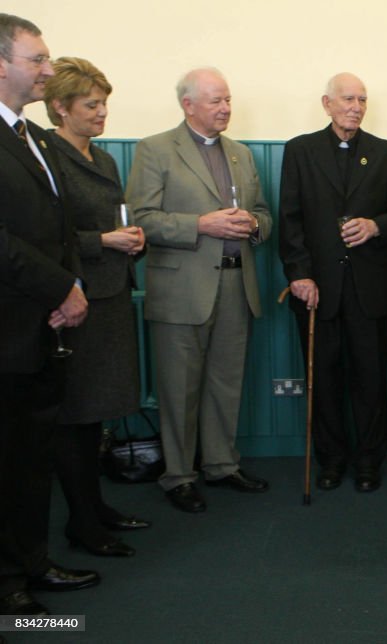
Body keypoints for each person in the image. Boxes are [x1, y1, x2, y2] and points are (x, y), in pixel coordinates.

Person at [126, 67, 272, 513]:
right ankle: (178, 476)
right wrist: (201, 224)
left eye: (227, 99)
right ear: (188, 105)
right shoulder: (155, 150)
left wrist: (254, 226)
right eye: (215, 101)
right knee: (178, 388)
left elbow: (264, 213)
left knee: (226, 383)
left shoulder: (241, 155)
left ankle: (222, 466)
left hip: (235, 283)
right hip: (180, 289)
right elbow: (142, 218)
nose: (225, 108)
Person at [0, 13, 99, 616]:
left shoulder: (33, 137)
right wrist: (63, 285)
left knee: (29, 457)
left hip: (42, 327)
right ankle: (9, 578)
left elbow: (58, 229)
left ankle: (31, 563)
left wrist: (70, 290)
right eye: (37, 59)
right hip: (9, 325)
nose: (47, 69)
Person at [278, 72, 387, 493]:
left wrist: (376, 225)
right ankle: (331, 460)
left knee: (371, 380)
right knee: (325, 379)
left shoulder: (386, 154)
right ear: (327, 103)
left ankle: (370, 461)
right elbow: (290, 219)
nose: (355, 106)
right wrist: (299, 274)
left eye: (362, 100)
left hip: (370, 288)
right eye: (347, 99)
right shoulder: (300, 150)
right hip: (317, 287)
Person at [45, 56, 149, 556]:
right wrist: (103, 240)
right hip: (77, 299)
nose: (102, 112)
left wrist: (131, 241)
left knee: (97, 413)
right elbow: (49, 236)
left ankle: (95, 506)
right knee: (77, 414)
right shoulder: (48, 158)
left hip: (110, 293)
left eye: (105, 102)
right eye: (91, 104)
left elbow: (111, 222)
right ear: (60, 108)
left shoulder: (103, 159)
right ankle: (81, 521)